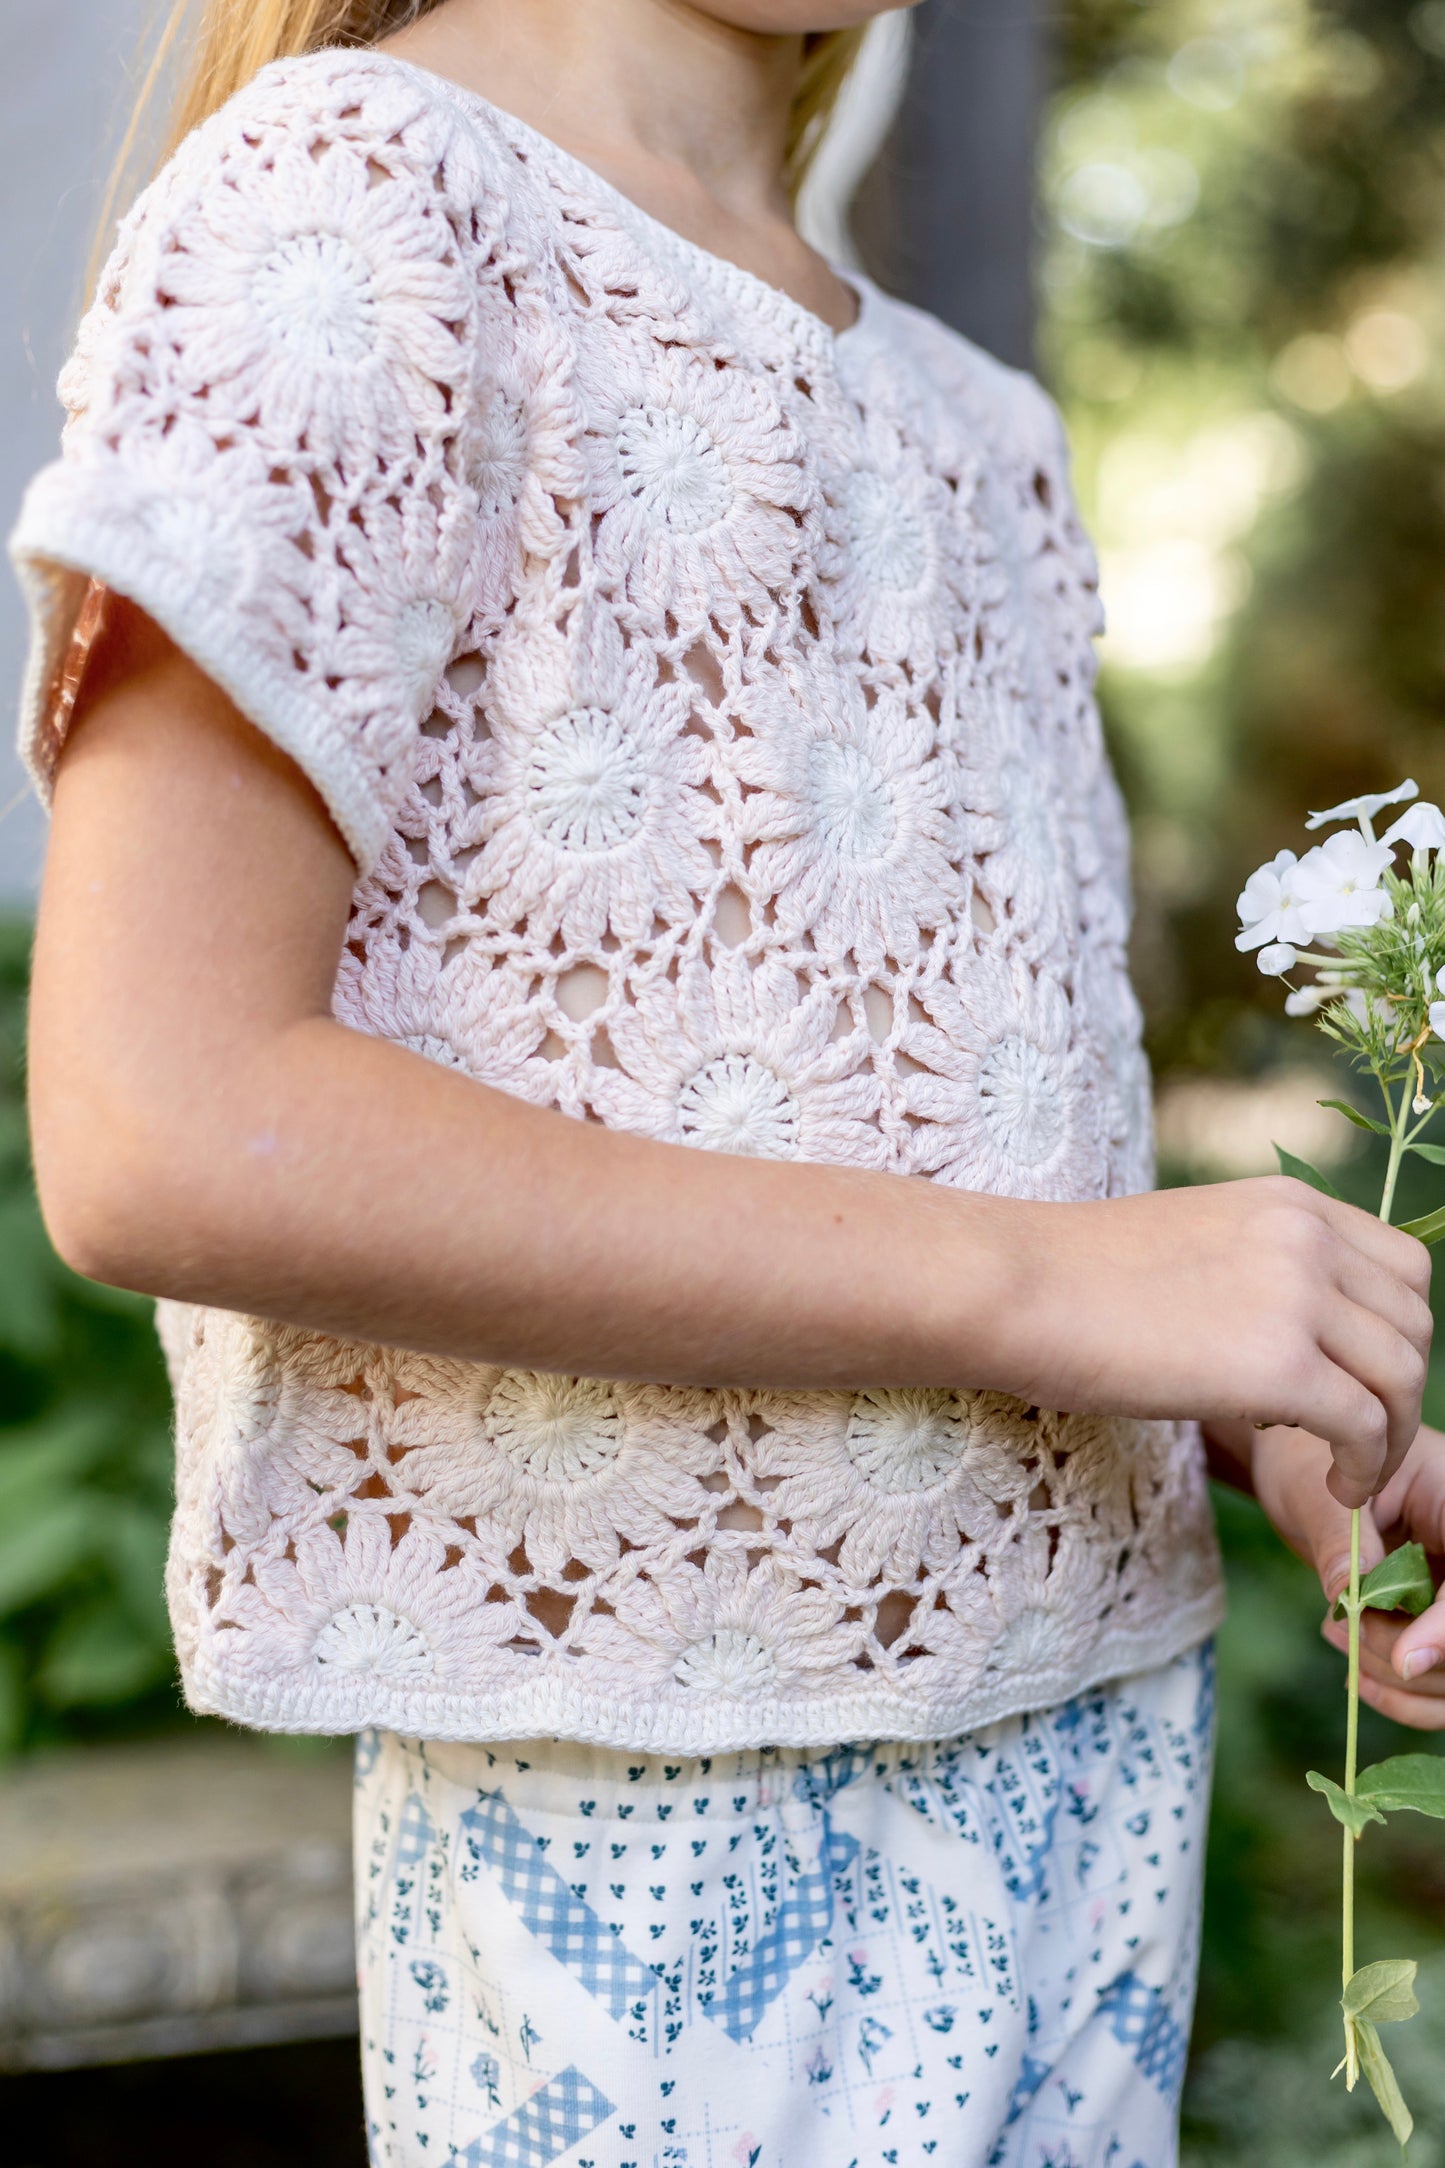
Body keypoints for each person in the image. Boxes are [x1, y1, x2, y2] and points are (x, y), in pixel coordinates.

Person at [12, 2, 1445, 2161]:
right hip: (647, 1837)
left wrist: (1267, 1399)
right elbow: (163, 1122)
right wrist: (1044, 1286)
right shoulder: (363, 206)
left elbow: (965, 1127)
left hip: (1087, 1804)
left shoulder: (980, 430)